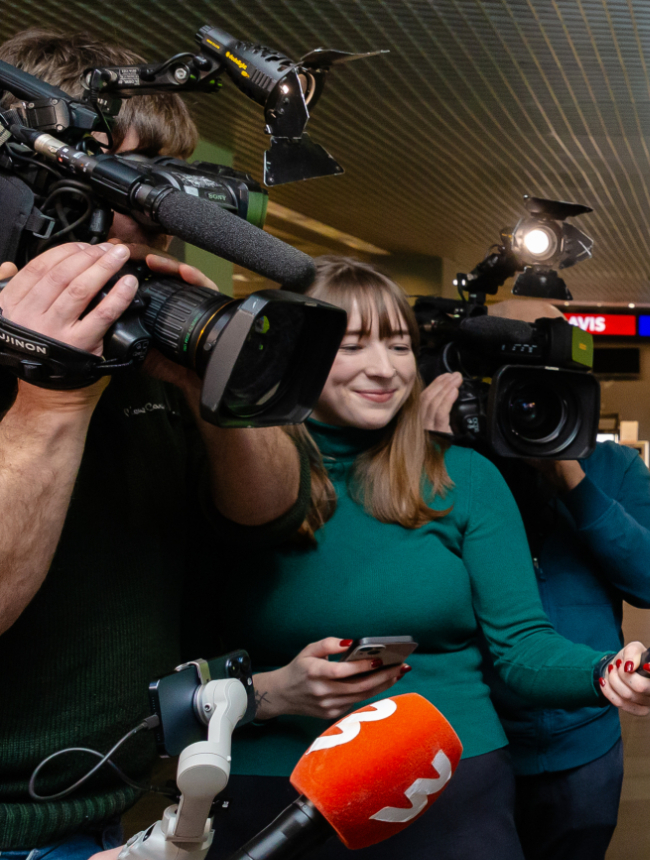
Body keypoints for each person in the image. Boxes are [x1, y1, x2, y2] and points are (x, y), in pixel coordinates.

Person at [203, 258, 650, 860]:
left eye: (399, 345)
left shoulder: (465, 477)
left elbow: (525, 642)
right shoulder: (233, 478)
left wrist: (606, 669)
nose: (383, 368)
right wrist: (271, 693)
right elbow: (172, 672)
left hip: (451, 781)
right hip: (278, 787)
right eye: (352, 345)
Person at [0, 28, 310, 860]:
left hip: (121, 809)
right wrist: (51, 393)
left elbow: (277, 517)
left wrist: (216, 383)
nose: (158, 219)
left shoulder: (142, 343)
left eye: (170, 187)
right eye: (127, 180)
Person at [420, 297, 650, 860]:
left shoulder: (612, 466)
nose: (528, 397)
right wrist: (426, 456)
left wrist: (569, 473)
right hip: (469, 742)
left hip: (584, 743)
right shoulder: (444, 466)